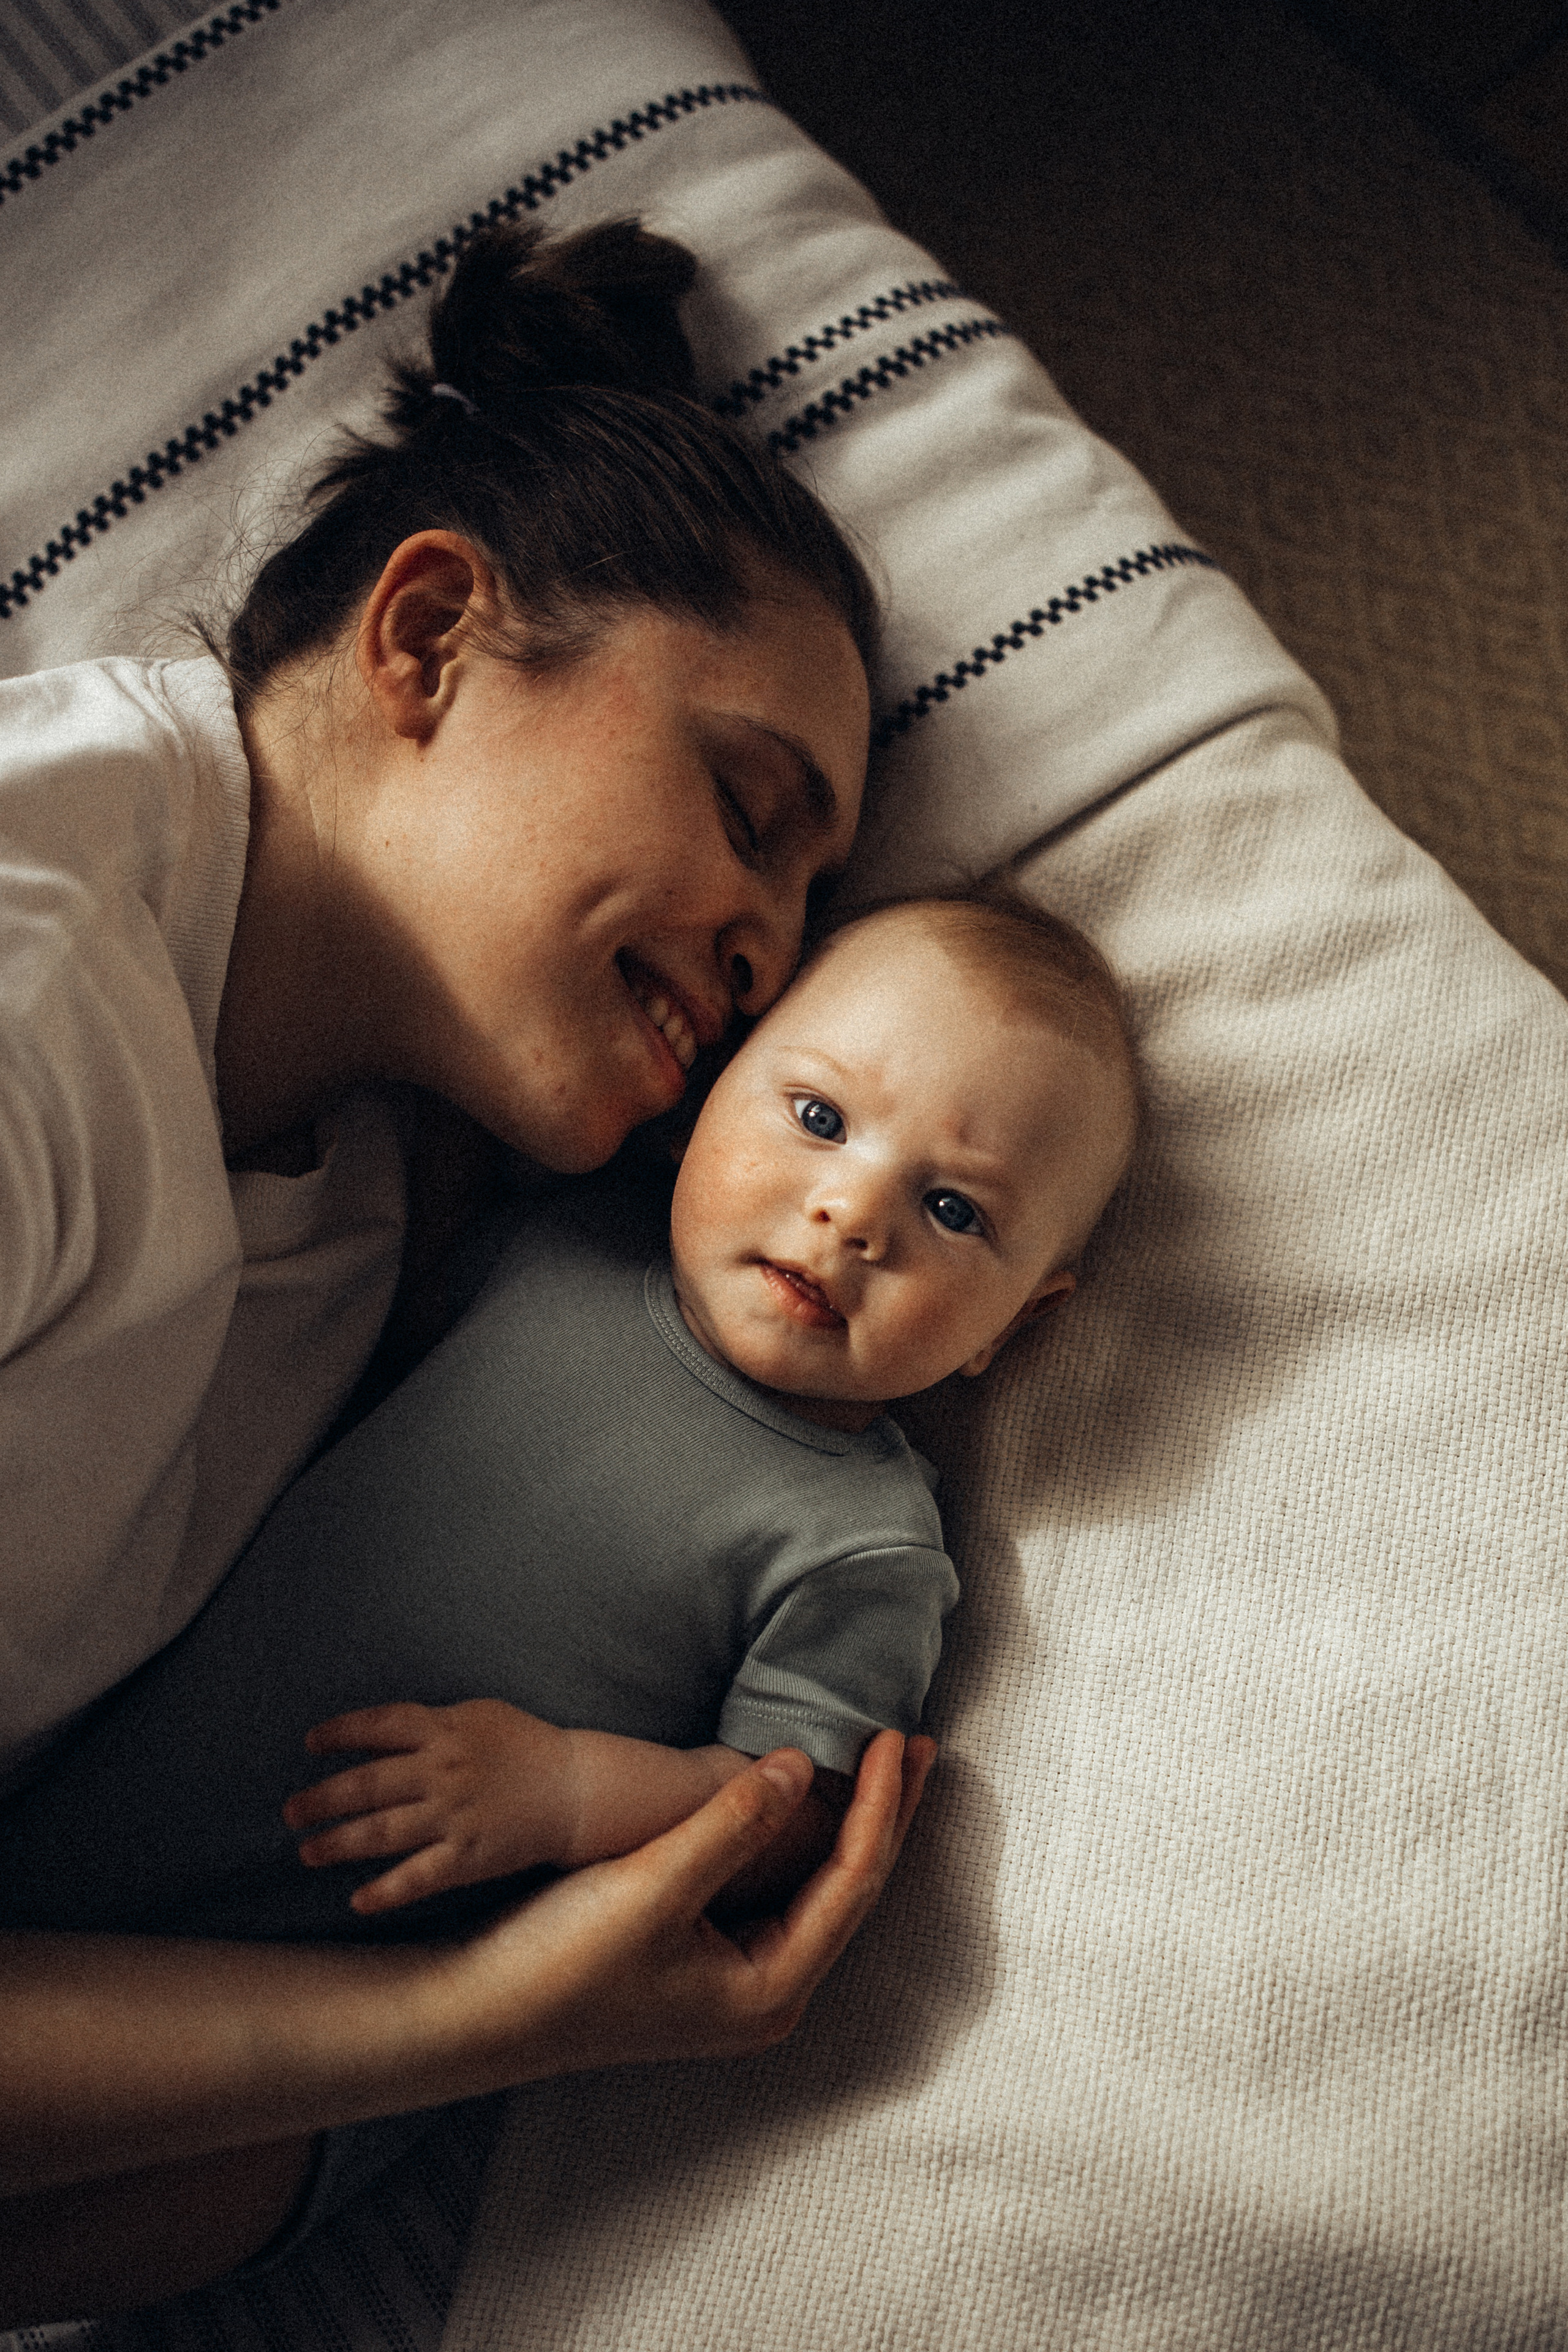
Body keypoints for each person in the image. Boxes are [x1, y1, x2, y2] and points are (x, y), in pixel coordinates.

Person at [0, 216, 933, 2323]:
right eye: (746, 802)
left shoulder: (353, 1194)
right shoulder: (33, 986)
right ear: (426, 636)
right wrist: (491, 2023)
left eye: (809, 901)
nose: (771, 949)